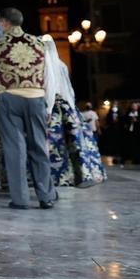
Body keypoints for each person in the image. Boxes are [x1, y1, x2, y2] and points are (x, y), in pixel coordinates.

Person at [0, 8, 56, 209]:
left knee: (14, 150)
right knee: (39, 147)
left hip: (8, 99)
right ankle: (45, 196)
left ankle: (20, 199)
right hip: (37, 98)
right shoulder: (40, 43)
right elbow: (50, 76)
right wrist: (49, 105)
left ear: (3, 22)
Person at [41, 38, 106, 187]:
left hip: (50, 106)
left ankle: (52, 176)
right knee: (72, 140)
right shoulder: (61, 65)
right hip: (65, 106)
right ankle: (78, 174)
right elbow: (69, 90)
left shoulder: (44, 65)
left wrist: (48, 107)